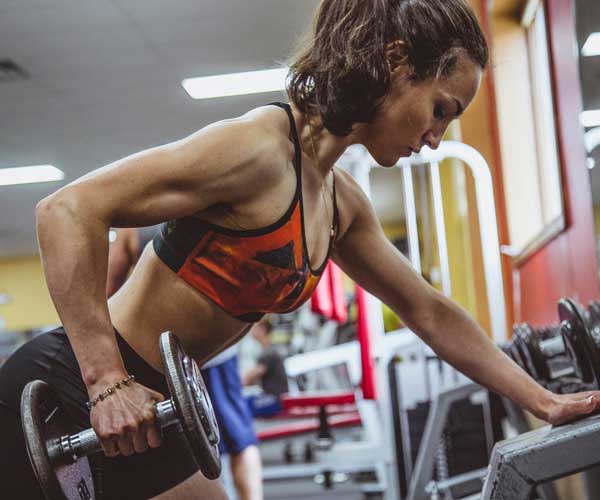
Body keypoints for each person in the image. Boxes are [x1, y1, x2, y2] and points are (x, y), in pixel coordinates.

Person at [1, 1, 598, 498]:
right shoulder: (259, 150)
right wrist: (107, 381)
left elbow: (429, 310)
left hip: (158, 405)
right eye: (439, 109)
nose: (436, 137)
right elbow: (66, 211)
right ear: (396, 62)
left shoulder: (341, 205)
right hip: (68, 390)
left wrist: (545, 400)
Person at [107, 227, 263, 500]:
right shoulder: (204, 208)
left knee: (182, 441)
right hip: (208, 341)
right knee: (234, 435)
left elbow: (108, 291)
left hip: (159, 350)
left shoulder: (131, 227)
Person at [243, 319, 289, 418]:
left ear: (263, 330)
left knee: (243, 406)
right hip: (274, 397)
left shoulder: (268, 353)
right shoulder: (269, 350)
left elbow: (250, 377)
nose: (251, 330)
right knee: (246, 401)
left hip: (275, 400)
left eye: (254, 327)